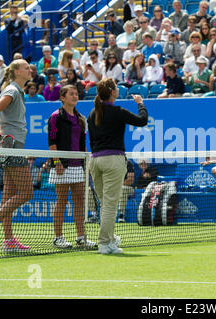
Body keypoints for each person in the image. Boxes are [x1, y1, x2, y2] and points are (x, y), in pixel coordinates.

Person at [87, 78, 148, 254]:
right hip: (113, 160)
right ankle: (104, 243)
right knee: (110, 205)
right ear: (113, 92)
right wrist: (140, 103)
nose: (117, 89)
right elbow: (142, 120)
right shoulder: (117, 111)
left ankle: (111, 240)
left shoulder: (93, 113)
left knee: (106, 203)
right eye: (115, 87)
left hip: (95, 162)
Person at [0, 59, 34, 252]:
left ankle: (9, 240)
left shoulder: (15, 91)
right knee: (27, 192)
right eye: (26, 67)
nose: (30, 70)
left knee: (8, 196)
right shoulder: (12, 91)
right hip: (11, 146)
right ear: (17, 72)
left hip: (11, 146)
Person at [46, 85, 97, 249]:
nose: (75, 96)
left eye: (76, 94)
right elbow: (52, 142)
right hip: (61, 164)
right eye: (71, 94)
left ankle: (81, 237)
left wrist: (86, 163)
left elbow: (83, 145)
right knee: (61, 200)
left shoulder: (81, 118)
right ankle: (58, 238)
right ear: (63, 97)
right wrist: (56, 162)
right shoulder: (55, 117)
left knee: (79, 201)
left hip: (77, 165)